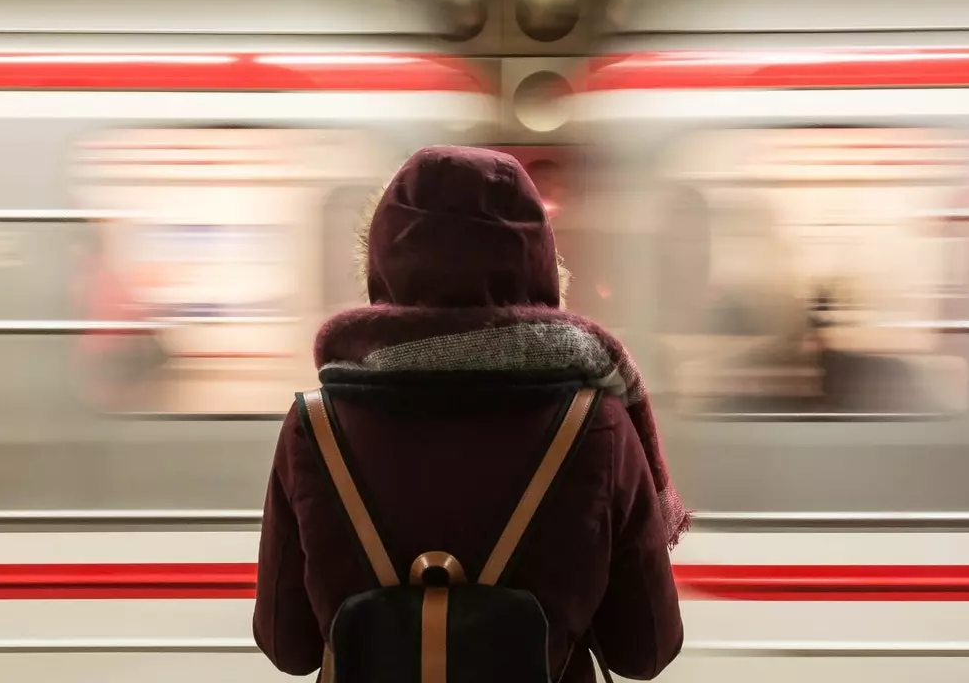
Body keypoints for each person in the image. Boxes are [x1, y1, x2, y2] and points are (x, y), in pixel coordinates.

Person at [253, 146, 689, 682]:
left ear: (384, 263)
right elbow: (646, 650)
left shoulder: (315, 427)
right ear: (539, 263)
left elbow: (286, 646)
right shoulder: (598, 425)